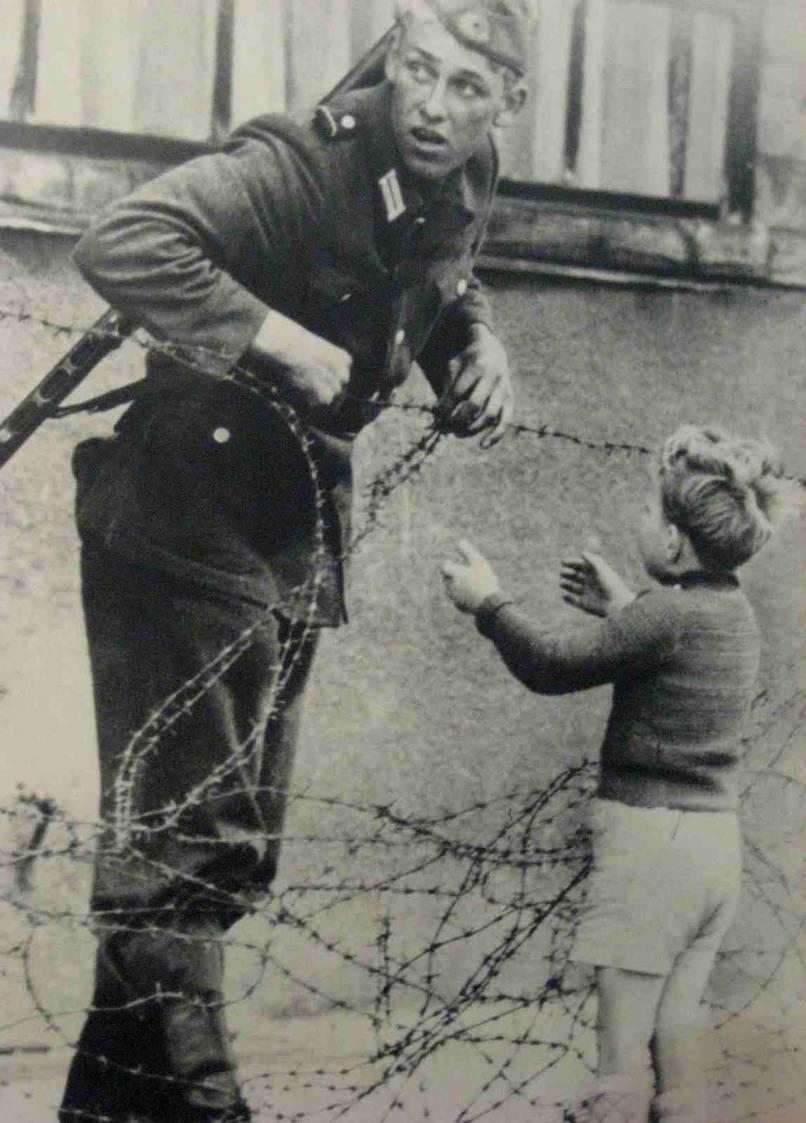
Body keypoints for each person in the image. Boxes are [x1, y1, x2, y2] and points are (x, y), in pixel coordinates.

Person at [58, 3, 531, 1121]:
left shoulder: (466, 174)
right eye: (417, 70)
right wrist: (274, 337)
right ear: (394, 61)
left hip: (290, 533)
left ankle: (103, 1108)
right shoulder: (301, 159)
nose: (430, 104)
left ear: (505, 104)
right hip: (183, 520)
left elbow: (449, 273)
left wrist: (475, 345)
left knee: (220, 853)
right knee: (185, 850)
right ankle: (214, 1107)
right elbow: (121, 240)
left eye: (466, 88)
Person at [441, 425, 790, 1123]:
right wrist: (625, 607)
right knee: (677, 1033)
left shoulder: (664, 615)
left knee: (619, 1056)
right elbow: (674, 650)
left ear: (672, 541)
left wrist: (489, 603)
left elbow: (551, 665)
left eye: (647, 511)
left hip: (649, 848)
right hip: (712, 848)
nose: (638, 519)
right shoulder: (733, 614)